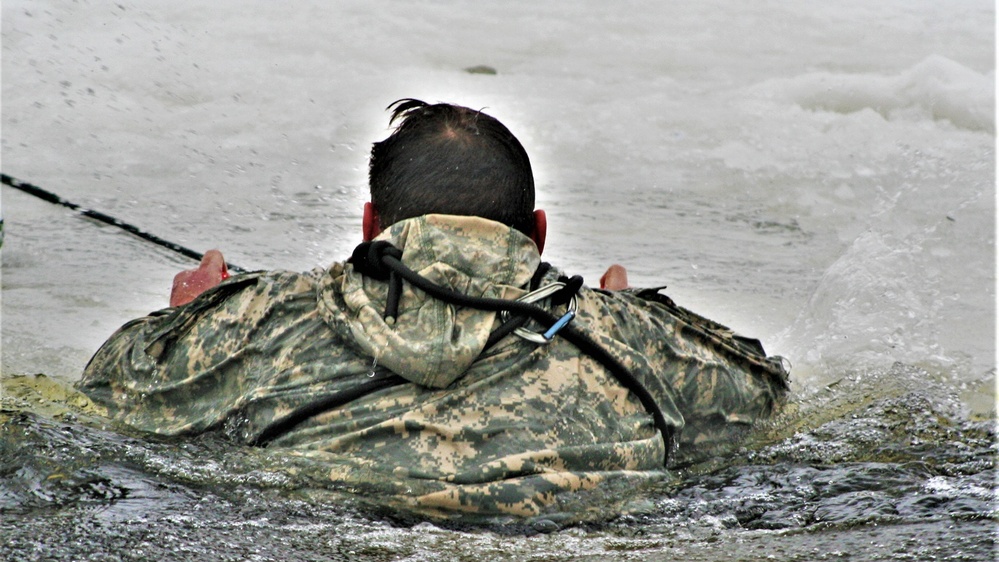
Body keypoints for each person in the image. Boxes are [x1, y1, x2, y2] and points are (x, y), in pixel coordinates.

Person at [78, 99, 789, 519]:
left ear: (369, 225)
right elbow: (768, 397)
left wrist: (191, 316)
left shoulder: (254, 320)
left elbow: (111, 391)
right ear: (537, 232)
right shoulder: (632, 338)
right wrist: (630, 318)